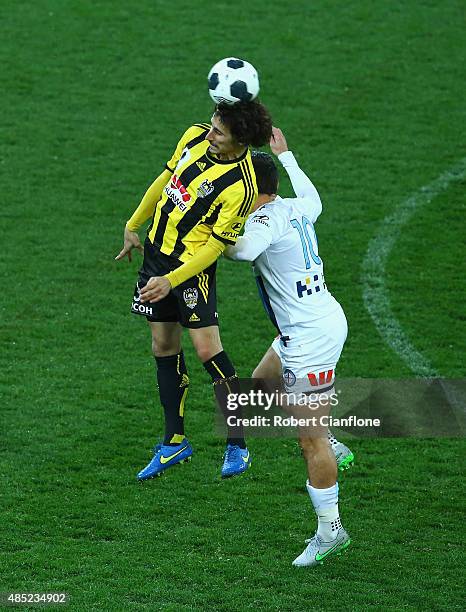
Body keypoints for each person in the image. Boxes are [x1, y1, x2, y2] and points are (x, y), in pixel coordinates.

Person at [116, 101, 272, 480]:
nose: (210, 134)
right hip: (156, 256)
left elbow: (215, 248)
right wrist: (133, 223)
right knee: (163, 346)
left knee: (206, 349)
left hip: (190, 271)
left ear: (240, 140)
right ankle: (174, 442)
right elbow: (164, 182)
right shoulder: (193, 136)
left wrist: (172, 280)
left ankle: (238, 441)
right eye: (213, 125)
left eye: (219, 131)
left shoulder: (243, 186)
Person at [224, 127, 352, 567]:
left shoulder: (264, 220)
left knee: (308, 440)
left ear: (249, 188)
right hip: (317, 321)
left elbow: (241, 252)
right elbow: (314, 197)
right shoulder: (297, 207)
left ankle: (330, 530)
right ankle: (330, 441)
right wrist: (288, 155)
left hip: (309, 339)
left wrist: (210, 226)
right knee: (257, 387)